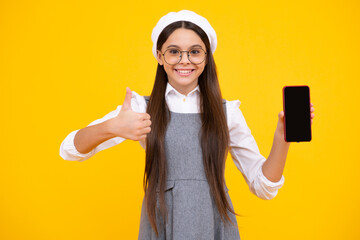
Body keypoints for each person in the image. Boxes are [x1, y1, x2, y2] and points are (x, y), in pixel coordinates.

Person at [59, 10, 315, 240]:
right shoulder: (140, 108)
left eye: (194, 51)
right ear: (160, 56)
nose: (185, 60)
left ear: (206, 57)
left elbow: (263, 186)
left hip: (214, 225)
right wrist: (112, 127)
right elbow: (70, 149)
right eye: (173, 51)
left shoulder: (228, 113)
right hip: (161, 225)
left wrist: (283, 137)